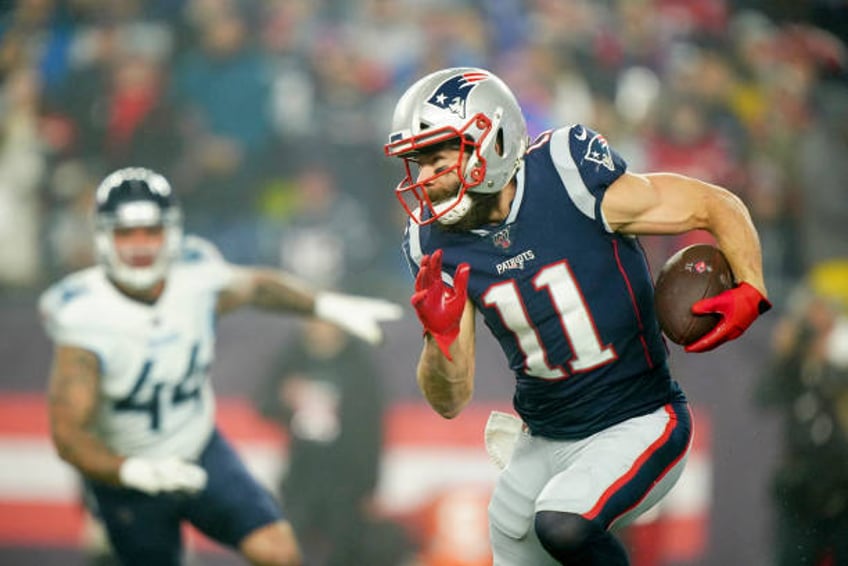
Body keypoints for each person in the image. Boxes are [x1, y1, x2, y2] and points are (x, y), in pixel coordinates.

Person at [383, 67, 771, 565]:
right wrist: (438, 339)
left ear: (493, 139)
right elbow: (450, 400)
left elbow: (714, 204)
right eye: (417, 163)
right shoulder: (432, 245)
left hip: (638, 419)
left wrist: (752, 286)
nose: (426, 180)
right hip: (542, 441)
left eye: (439, 157)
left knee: (563, 523)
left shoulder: (566, 175)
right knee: (521, 533)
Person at [38, 167, 403, 566]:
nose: (141, 245)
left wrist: (322, 304)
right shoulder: (84, 313)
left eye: (151, 231)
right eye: (127, 233)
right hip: (127, 459)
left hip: (198, 446)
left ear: (172, 233)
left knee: (278, 549)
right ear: (105, 238)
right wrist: (130, 472)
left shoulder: (194, 276)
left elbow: (257, 286)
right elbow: (70, 434)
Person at [255, 318, 416, 566]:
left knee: (344, 548)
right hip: (302, 473)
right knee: (288, 543)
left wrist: (370, 483)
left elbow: (372, 428)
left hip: (346, 478)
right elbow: (264, 404)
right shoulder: (294, 357)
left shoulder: (359, 364)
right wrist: (284, 399)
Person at [755, 267, 848, 566]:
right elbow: (764, 396)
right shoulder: (795, 368)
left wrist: (828, 360)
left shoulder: (840, 358)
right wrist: (786, 354)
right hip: (802, 485)